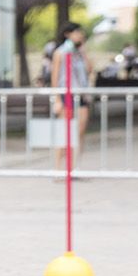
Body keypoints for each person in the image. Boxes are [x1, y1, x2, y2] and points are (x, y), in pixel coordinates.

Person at [50, 21, 91, 168]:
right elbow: (55, 77)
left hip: (81, 94)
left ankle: (73, 167)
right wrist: (57, 99)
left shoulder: (79, 53)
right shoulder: (60, 52)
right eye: (76, 32)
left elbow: (89, 69)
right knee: (64, 132)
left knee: (80, 131)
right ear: (68, 34)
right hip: (65, 94)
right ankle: (58, 167)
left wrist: (84, 51)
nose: (80, 35)